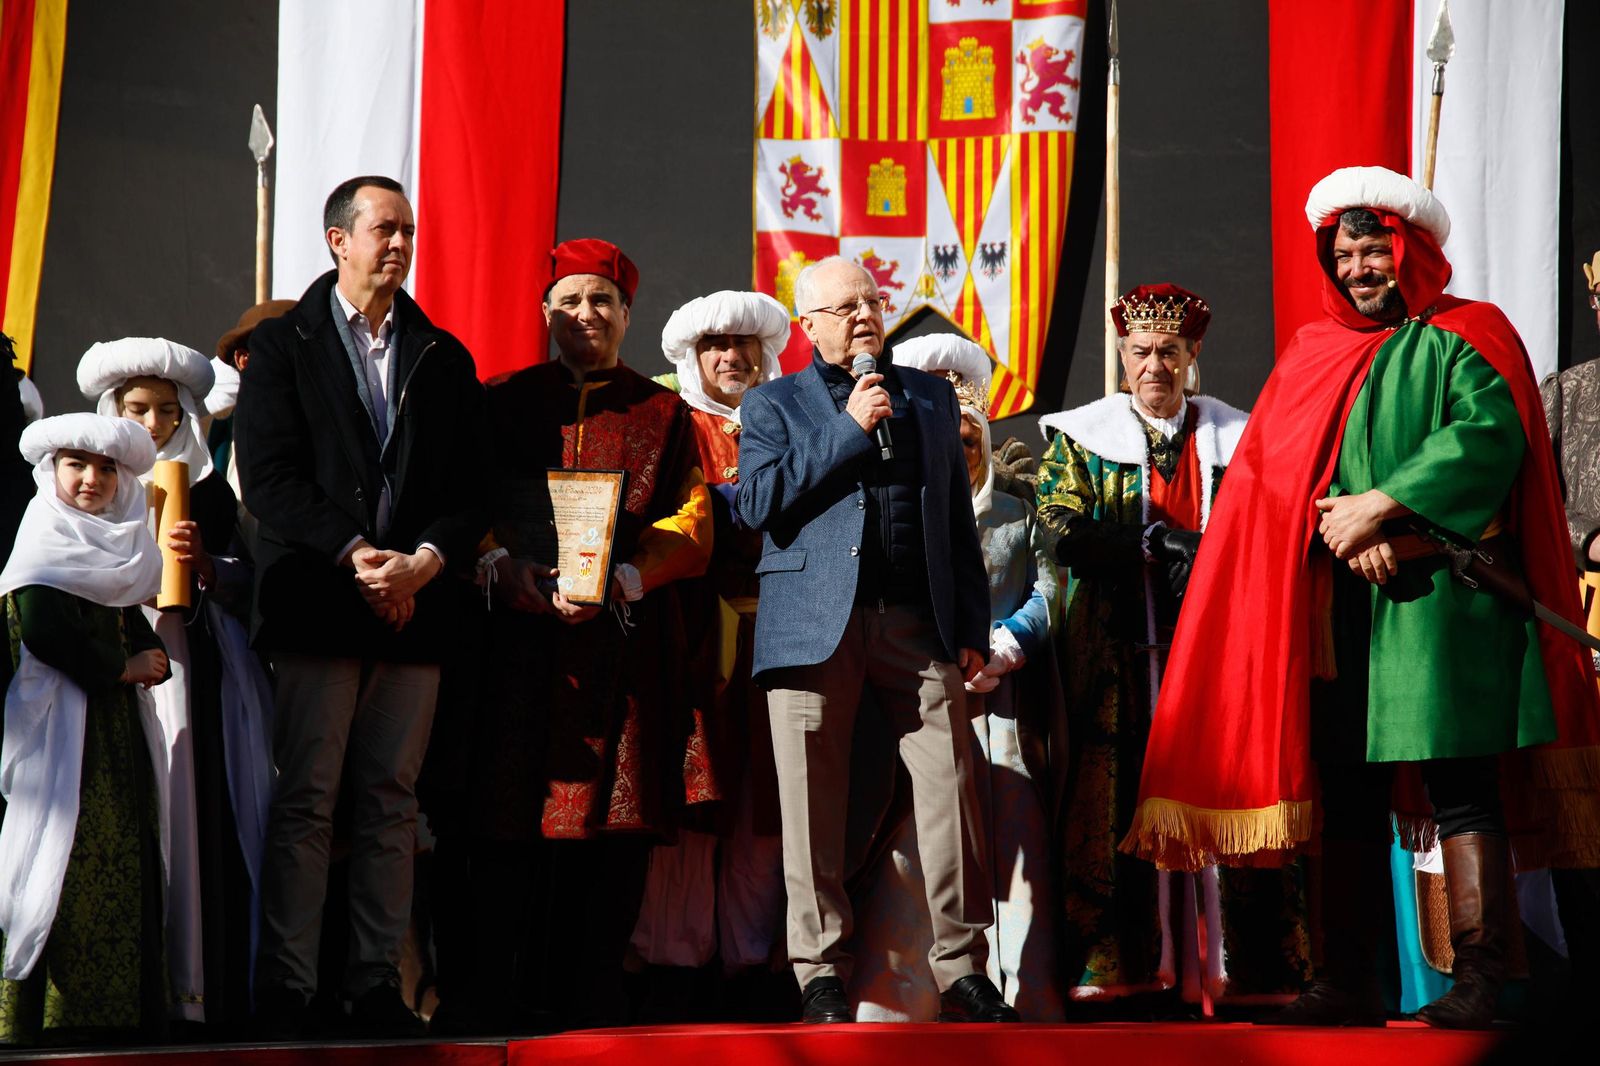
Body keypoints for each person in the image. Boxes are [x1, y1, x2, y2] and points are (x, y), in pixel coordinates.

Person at [1120, 166, 1600, 1030]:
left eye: (1373, 250)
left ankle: (1484, 974)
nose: (1357, 269)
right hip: (1340, 610)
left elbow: (1487, 443)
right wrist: (1339, 525)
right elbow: (1277, 478)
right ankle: (1349, 978)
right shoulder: (1312, 352)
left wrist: (1388, 511)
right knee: (1344, 791)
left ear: (1410, 249)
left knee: (1461, 786)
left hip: (1442, 607)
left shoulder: (1469, 335)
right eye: (1343, 255)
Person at [234, 175, 489, 1038]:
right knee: (307, 800)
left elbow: (470, 491)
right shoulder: (280, 349)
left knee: (391, 801)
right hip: (317, 604)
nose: (400, 244)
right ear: (337, 239)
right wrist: (356, 555)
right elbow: (269, 480)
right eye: (384, 228)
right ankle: (288, 988)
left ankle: (375, 983)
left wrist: (421, 564)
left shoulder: (441, 356)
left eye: (409, 230)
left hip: (414, 614)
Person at [735, 255, 1017, 1024]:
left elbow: (956, 523)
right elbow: (758, 504)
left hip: (912, 622)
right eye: (845, 306)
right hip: (810, 626)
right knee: (811, 801)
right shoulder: (772, 405)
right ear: (810, 325)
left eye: (872, 300)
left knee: (952, 785)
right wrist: (847, 428)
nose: (864, 315)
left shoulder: (925, 396)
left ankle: (962, 967)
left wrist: (966, 626)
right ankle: (818, 969)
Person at [1033, 285, 1309, 1007]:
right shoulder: (1079, 438)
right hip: (1118, 657)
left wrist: (1212, 552)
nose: (1153, 366)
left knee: (1232, 792)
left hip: (1220, 657)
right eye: (1139, 352)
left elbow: (1273, 522)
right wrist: (1150, 542)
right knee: (1111, 802)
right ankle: (1120, 972)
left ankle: (1249, 972)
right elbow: (1057, 524)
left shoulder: (1237, 436)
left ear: (1192, 356)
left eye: (1168, 353)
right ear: (1121, 356)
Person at [463, 238, 713, 1030]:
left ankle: (594, 998)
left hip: (622, 647)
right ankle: (492, 994)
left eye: (601, 301)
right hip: (514, 646)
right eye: (570, 300)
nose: (585, 314)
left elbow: (693, 519)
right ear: (545, 312)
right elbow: (463, 504)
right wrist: (499, 561)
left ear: (626, 315)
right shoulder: (500, 402)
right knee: (506, 823)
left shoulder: (663, 412)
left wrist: (625, 578)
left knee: (613, 829)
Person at [847, 333, 1067, 1021]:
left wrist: (1004, 646)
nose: (958, 451)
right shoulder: (895, 508)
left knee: (1015, 827)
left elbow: (1051, 587)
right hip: (919, 696)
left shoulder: (1017, 508)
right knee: (918, 837)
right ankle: (904, 992)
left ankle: (1021, 987)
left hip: (1000, 701)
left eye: (969, 440)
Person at [76, 337, 268, 1032]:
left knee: (191, 808)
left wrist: (208, 567)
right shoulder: (92, 481)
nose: (153, 425)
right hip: (115, 676)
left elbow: (247, 577)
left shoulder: (209, 489)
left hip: (192, 671)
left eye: (165, 410)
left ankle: (196, 989)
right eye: (137, 409)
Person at [627, 290, 792, 1017]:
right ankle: (676, 959)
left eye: (743, 343)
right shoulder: (670, 428)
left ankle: (750, 961)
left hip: (785, 638)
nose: (731, 357)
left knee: (767, 810)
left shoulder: (794, 423)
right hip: (693, 640)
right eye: (714, 346)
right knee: (694, 801)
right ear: (692, 357)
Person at [0, 414, 169, 1045]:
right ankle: (49, 1019)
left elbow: (129, 617)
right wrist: (121, 668)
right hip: (61, 736)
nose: (91, 479)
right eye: (76, 465)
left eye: (105, 469)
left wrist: (151, 653)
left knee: (122, 858)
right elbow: (44, 628)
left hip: (115, 739)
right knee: (59, 858)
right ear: (53, 473)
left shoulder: (120, 544)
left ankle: (118, 1011)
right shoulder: (44, 537)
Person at [1538, 250, 1600, 1001]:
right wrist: (1585, 537)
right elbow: (1524, 504)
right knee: (1583, 816)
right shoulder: (1567, 397)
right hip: (1579, 636)